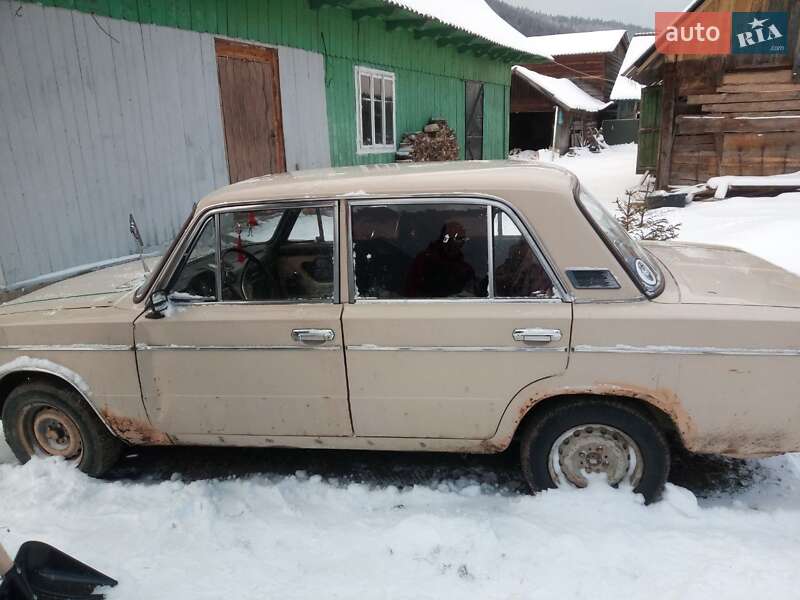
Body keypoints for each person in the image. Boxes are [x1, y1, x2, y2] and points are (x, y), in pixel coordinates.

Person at [404, 221, 478, 298]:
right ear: (445, 239)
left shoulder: (466, 268)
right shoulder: (424, 261)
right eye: (458, 238)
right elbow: (411, 292)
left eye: (463, 239)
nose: (462, 243)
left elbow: (473, 295)